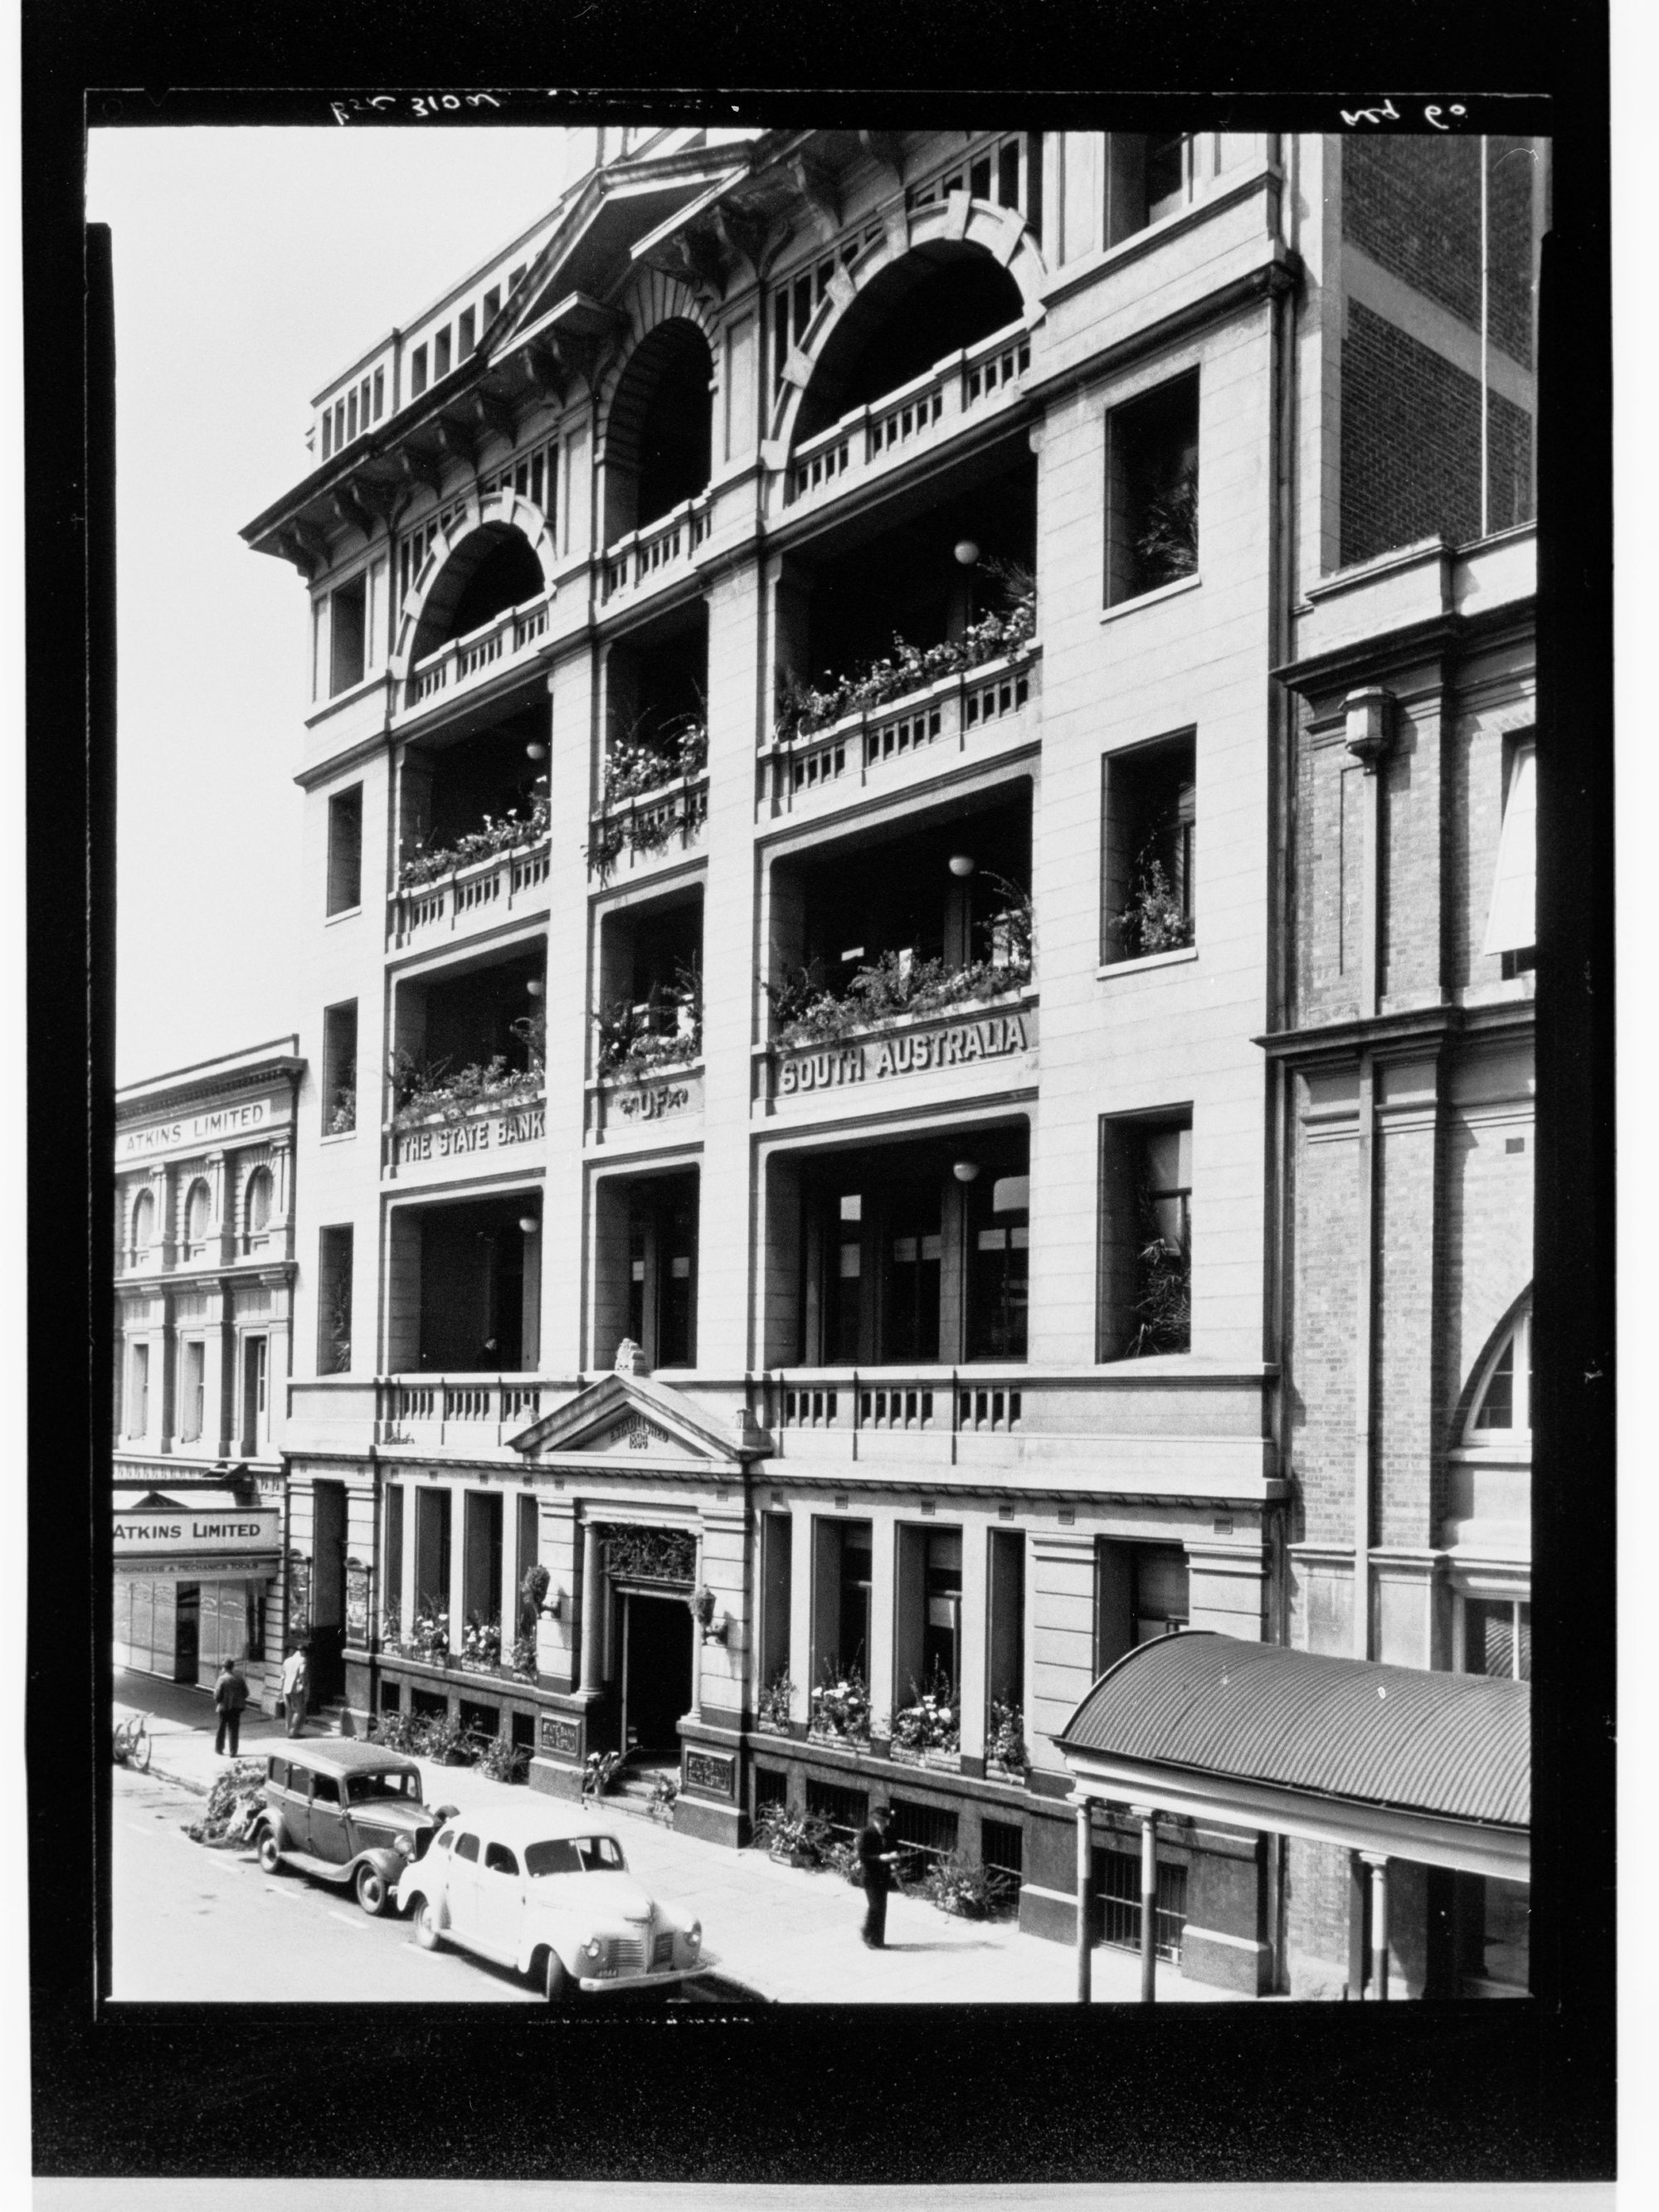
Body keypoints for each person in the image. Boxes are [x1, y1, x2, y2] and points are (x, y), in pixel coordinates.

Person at [856, 1802, 900, 1949]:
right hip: (870, 1876)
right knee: (875, 1906)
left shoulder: (890, 1832)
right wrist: (881, 1858)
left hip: (884, 1875)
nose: (882, 1825)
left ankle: (878, 1940)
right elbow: (863, 1856)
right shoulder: (867, 1833)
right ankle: (867, 1932)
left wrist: (894, 1859)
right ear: (874, 1821)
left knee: (882, 1908)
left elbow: (894, 1848)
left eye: (884, 1822)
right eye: (879, 1822)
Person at [212, 1655, 250, 1756]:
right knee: (234, 1729)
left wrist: (220, 1701)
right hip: (237, 1708)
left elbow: (217, 1695)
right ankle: (233, 1751)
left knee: (221, 1728)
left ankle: (219, 1748)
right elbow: (246, 1693)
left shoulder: (222, 1679)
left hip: (224, 1708)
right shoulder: (239, 1678)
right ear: (233, 1667)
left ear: (224, 1668)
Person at [280, 1641, 310, 1738]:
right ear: (303, 1652)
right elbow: (302, 1674)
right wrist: (305, 1688)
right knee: (299, 1711)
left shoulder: (287, 1661)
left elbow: (283, 1677)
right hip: (296, 1689)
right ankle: (294, 1732)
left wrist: (282, 1690)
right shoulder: (302, 1660)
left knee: (289, 1711)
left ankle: (289, 1731)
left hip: (286, 1689)